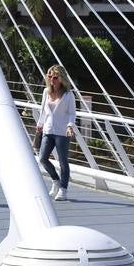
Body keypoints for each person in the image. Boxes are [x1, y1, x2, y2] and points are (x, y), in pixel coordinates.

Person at [36, 64, 76, 201]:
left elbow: (72, 113)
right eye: (49, 76)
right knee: (42, 158)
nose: (51, 79)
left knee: (63, 162)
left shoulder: (68, 95)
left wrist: (70, 126)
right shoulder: (46, 92)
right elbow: (43, 110)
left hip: (62, 131)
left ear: (61, 78)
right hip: (48, 129)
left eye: (55, 77)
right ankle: (56, 181)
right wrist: (40, 124)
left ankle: (63, 190)